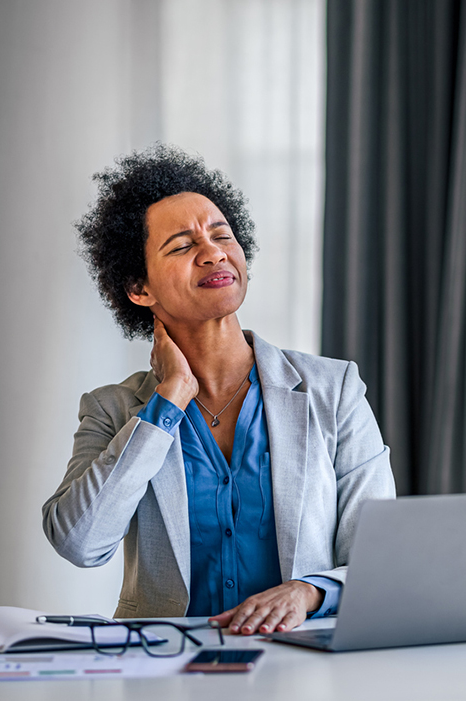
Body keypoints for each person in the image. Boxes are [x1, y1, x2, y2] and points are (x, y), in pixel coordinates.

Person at [42, 144, 395, 636]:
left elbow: (380, 557)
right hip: (164, 668)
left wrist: (310, 591)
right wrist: (168, 401)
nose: (213, 252)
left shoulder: (333, 390)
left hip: (303, 662)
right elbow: (80, 543)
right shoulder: (113, 409)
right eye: (183, 246)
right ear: (140, 289)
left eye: (221, 235)